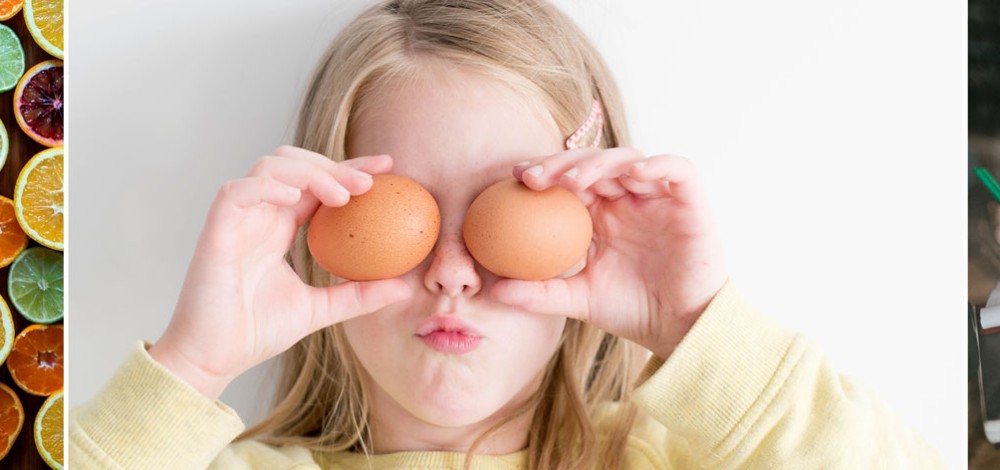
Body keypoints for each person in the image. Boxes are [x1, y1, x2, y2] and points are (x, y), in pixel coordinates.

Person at [70, 0, 947, 468]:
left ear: (589, 229)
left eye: (508, 211)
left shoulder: (695, 460)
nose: (453, 273)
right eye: (404, 214)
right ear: (318, 228)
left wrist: (697, 326)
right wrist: (191, 365)